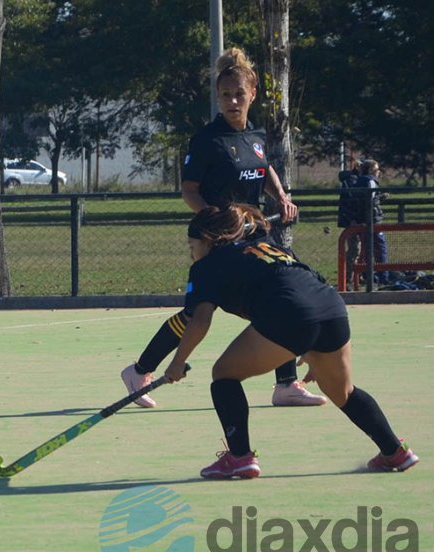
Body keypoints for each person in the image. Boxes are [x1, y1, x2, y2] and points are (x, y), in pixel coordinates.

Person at [120, 47, 326, 409]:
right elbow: (189, 191)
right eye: (225, 95)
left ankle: (286, 385)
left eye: (239, 94)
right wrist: (215, 225)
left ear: (253, 94)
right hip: (215, 240)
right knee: (198, 312)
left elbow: (263, 170)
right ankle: (139, 371)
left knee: (278, 298)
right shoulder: (207, 140)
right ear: (218, 97)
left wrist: (280, 196)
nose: (232, 101)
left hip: (256, 233)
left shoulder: (257, 137)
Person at [162, 204, 418, 478]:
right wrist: (312, 347)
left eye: (192, 245)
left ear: (209, 240)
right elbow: (308, 278)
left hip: (291, 314)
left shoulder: (207, 266)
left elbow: (200, 320)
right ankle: (395, 452)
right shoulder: (265, 245)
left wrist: (177, 363)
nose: (191, 253)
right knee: (343, 392)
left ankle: (240, 457)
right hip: (330, 308)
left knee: (224, 373)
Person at [338, 159, 389, 287]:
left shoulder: (358, 181)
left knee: (366, 249)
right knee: (380, 247)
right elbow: (369, 201)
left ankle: (366, 275)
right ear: (372, 170)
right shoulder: (370, 181)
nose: (378, 173)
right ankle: (383, 276)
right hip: (372, 220)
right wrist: (380, 197)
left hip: (361, 220)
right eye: (377, 170)